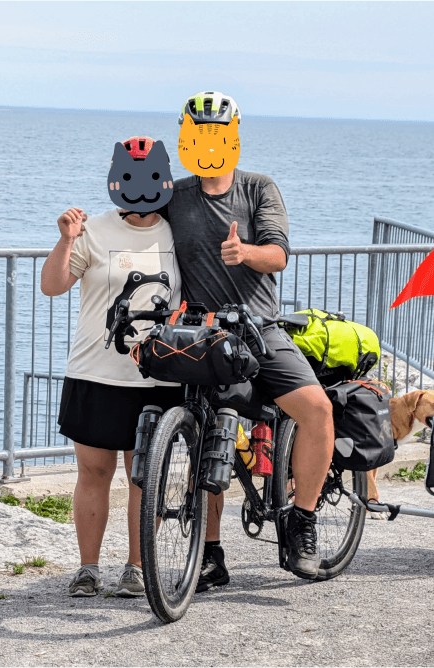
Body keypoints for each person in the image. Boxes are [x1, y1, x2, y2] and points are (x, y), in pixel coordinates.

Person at [158, 92, 335, 589]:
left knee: (317, 411)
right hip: (202, 332)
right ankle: (210, 555)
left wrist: (245, 252)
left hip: (261, 329)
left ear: (233, 136)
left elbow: (278, 255)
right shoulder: (176, 196)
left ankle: (300, 522)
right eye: (199, 134)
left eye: (218, 134)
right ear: (185, 137)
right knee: (206, 432)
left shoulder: (259, 188)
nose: (209, 143)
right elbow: (137, 224)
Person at [41, 136, 183, 597]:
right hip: (95, 371)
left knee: (145, 475)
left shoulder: (177, 231)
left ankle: (137, 567)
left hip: (158, 373)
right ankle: (87, 567)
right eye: (130, 176)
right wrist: (65, 241)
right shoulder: (94, 230)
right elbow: (52, 285)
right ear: (115, 179)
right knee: (94, 474)